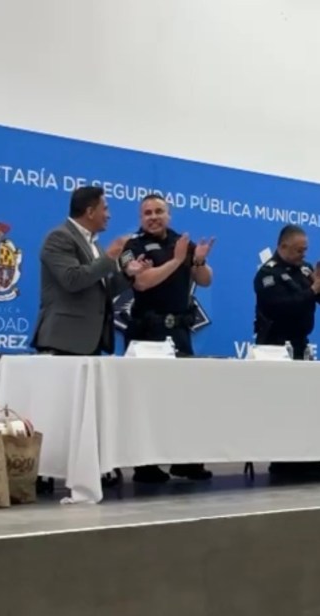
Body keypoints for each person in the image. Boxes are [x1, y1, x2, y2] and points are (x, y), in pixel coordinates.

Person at [120, 194, 216, 484]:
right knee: (147, 402)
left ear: (168, 215)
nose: (153, 217)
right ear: (141, 218)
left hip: (179, 332)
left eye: (159, 211)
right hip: (147, 333)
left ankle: (185, 461)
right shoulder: (133, 246)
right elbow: (142, 282)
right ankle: (145, 464)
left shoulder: (180, 241)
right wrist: (176, 261)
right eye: (147, 213)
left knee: (183, 398)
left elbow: (205, 279)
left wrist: (198, 260)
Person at [254, 224, 320, 477]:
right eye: (299, 250)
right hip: (275, 345)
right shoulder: (267, 273)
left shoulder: (304, 269)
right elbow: (281, 306)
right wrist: (311, 290)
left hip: (301, 343)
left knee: (304, 402)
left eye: (305, 250)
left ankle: (305, 454)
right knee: (282, 404)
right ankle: (282, 459)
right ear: (283, 246)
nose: (304, 254)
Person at [32, 186, 146, 355]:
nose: (109, 215)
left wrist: (127, 274)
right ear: (90, 212)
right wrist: (109, 257)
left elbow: (102, 291)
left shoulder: (94, 245)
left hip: (90, 343)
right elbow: (72, 279)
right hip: (63, 342)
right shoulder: (59, 237)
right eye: (105, 209)